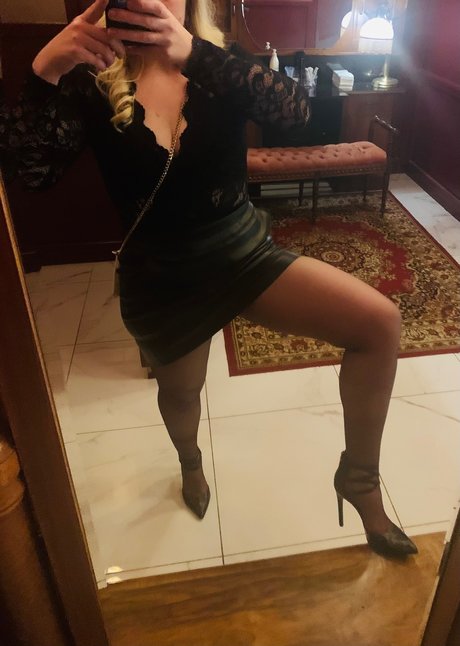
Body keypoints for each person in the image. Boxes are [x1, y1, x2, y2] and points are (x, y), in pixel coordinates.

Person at [2, 0, 417, 557]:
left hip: (242, 250)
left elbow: (297, 113)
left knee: (379, 323)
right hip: (164, 275)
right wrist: (44, 70)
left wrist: (196, 55)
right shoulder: (88, 81)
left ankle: (360, 480)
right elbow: (32, 175)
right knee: (181, 394)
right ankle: (190, 461)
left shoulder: (221, 62)